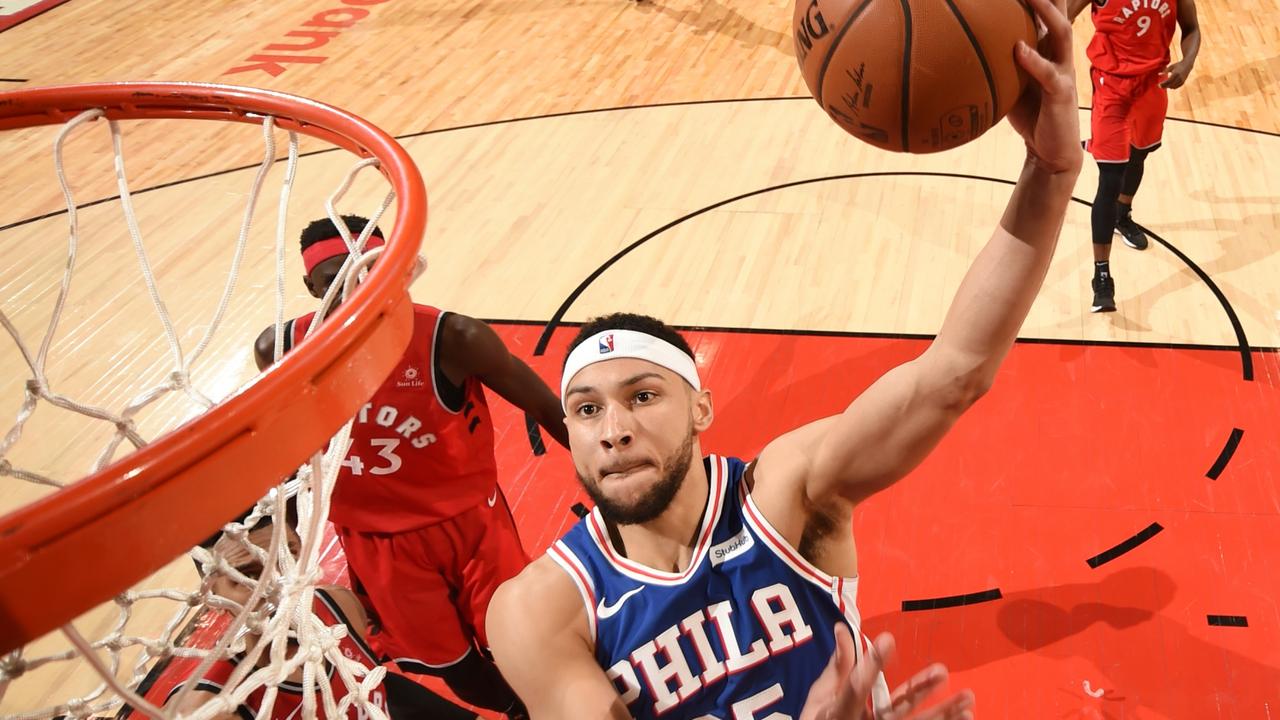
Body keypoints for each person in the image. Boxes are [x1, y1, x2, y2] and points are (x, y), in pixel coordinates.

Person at [485, 0, 1082, 715]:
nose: (613, 427)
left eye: (643, 396)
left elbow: (952, 374)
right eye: (587, 410)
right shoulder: (540, 610)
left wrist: (1050, 172)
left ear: (701, 407)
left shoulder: (786, 496)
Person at [253, 215, 570, 718]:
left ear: (395, 270)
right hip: (378, 544)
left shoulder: (453, 337)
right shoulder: (281, 350)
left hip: (471, 525)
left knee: (526, 637)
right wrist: (282, 532)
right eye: (336, 280)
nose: (354, 292)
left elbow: (546, 407)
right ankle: (519, 709)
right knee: (453, 667)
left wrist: (610, 477)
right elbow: (285, 445)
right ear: (312, 287)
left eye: (368, 274)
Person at [162, 519, 482, 720]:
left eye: (285, 560)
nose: (279, 588)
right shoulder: (209, 707)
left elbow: (377, 687)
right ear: (212, 594)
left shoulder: (338, 605)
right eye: (248, 576)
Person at [1070, 0, 1201, 312]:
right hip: (1111, 85)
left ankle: (1122, 214)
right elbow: (1061, 18)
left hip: (1153, 82)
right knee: (1110, 178)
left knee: (1138, 156)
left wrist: (1187, 62)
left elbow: (1192, 28)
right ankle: (1102, 276)